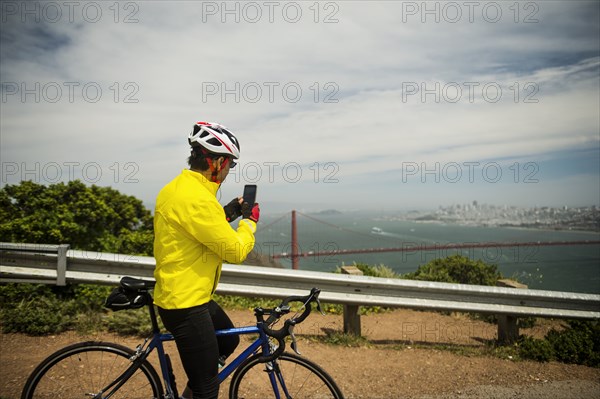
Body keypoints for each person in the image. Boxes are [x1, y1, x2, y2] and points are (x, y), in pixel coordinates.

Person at [153, 121, 260, 399]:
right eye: (231, 165)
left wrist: (229, 212)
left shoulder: (178, 189)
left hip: (189, 294)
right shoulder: (198, 199)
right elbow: (235, 252)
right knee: (207, 388)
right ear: (218, 163)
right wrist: (249, 222)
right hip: (185, 303)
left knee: (228, 339)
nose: (229, 171)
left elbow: (197, 230)